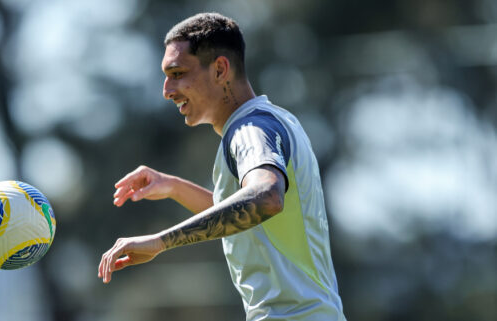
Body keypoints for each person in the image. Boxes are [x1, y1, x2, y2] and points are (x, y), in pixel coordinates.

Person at [98, 12, 346, 321]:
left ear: (219, 70)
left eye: (177, 73)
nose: (167, 89)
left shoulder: (250, 129)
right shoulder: (272, 121)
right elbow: (246, 220)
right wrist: (174, 187)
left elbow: (266, 197)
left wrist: (160, 241)